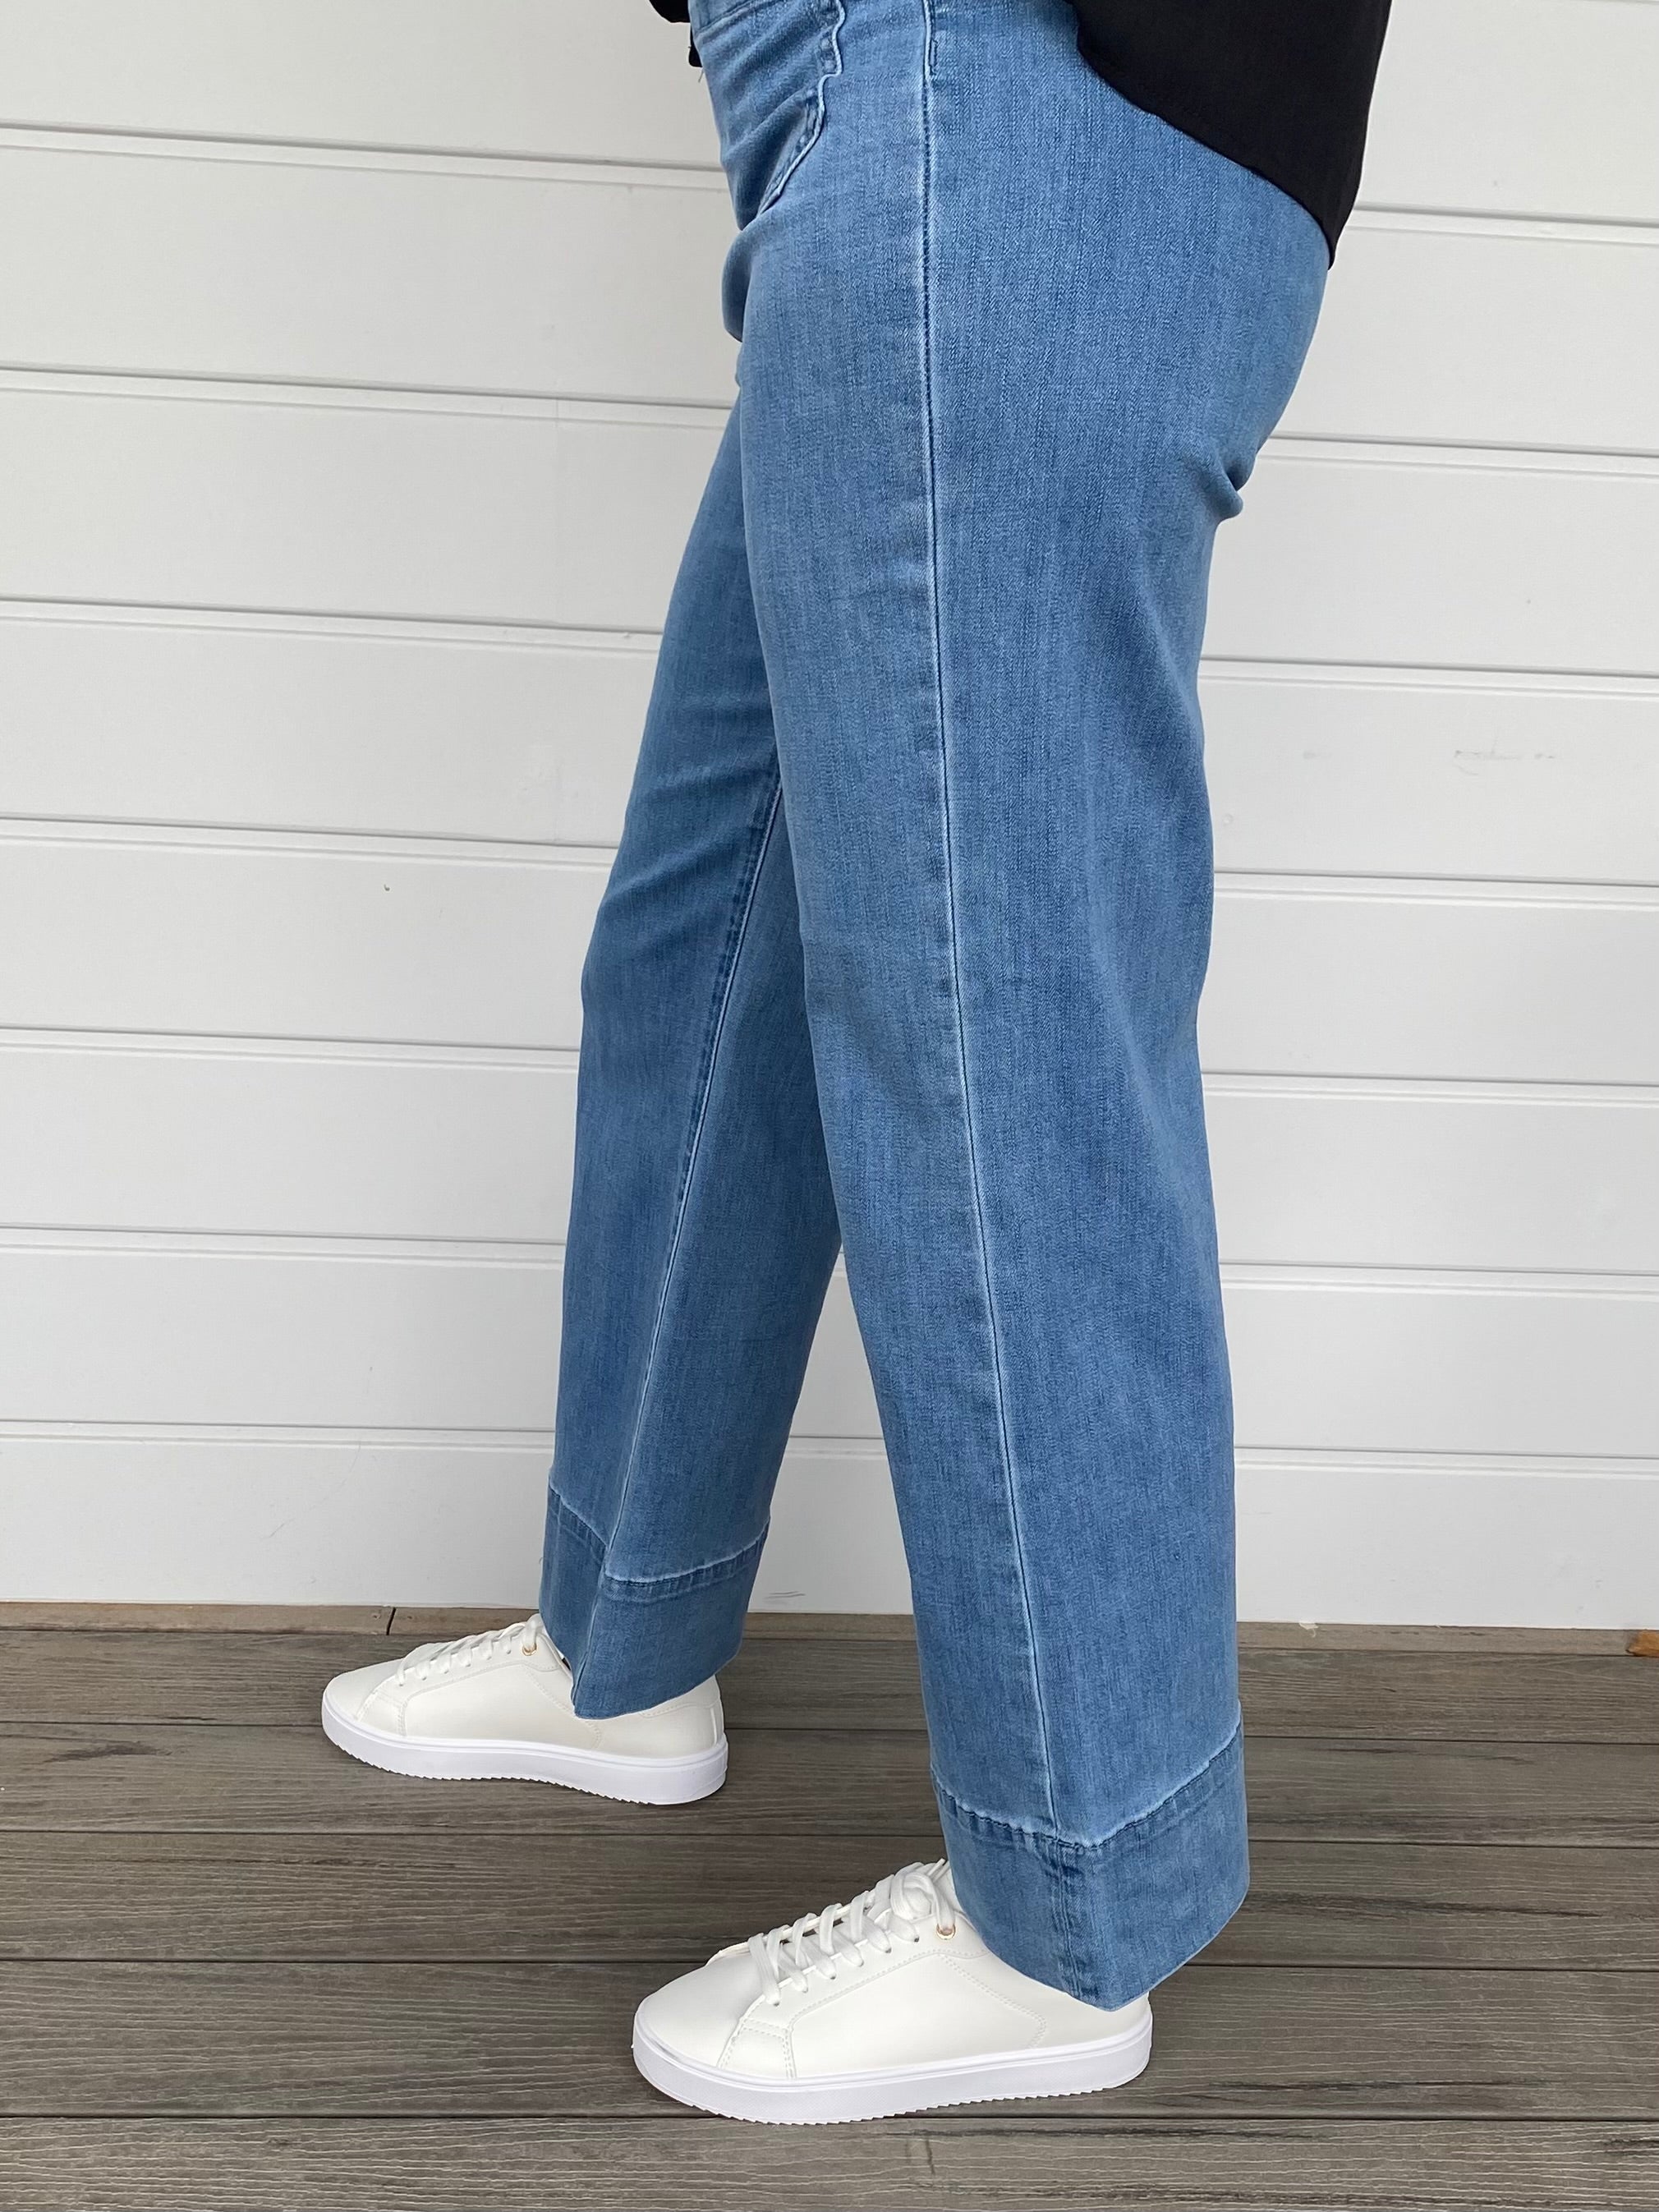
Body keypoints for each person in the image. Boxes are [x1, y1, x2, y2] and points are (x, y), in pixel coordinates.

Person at [322, 0, 1390, 2126]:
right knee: (710, 937)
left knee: (988, 1018)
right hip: (857, 94)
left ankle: (1064, 1914)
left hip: (1006, 87)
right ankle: (621, 1652)